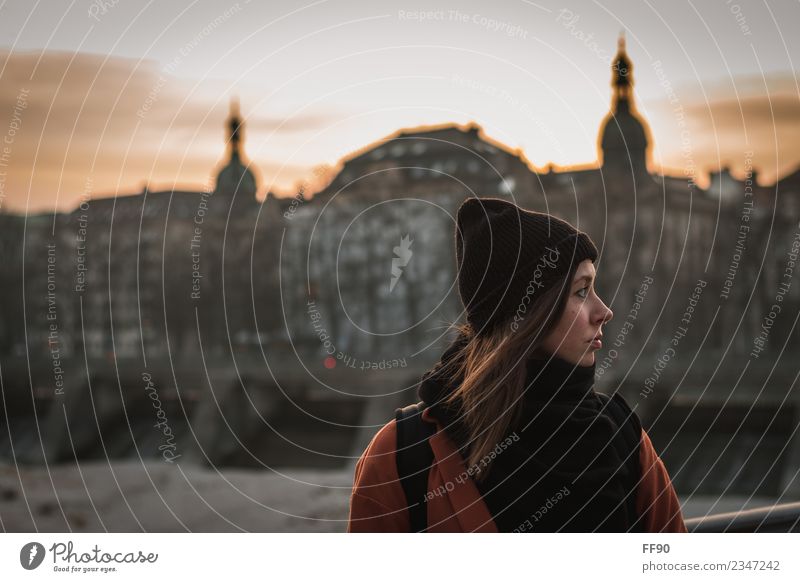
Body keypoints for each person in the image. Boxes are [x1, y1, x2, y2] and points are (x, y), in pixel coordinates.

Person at [347, 197, 686, 533]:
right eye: (582, 291)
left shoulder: (624, 436)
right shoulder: (404, 454)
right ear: (530, 315)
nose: (604, 312)